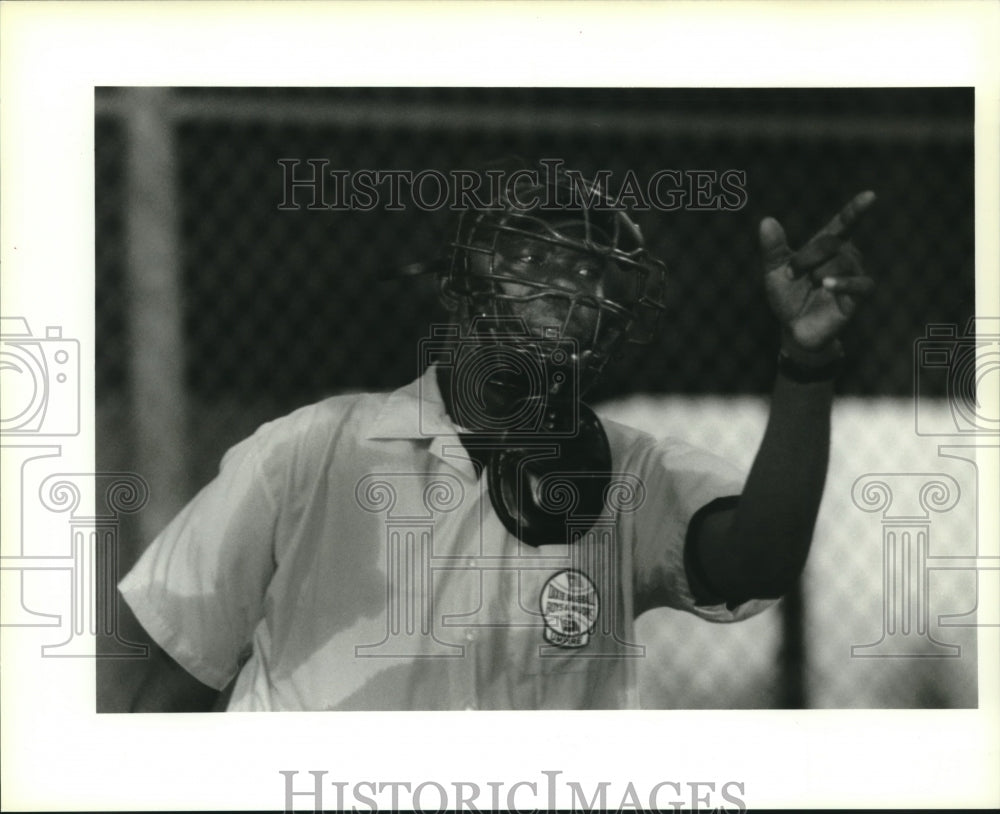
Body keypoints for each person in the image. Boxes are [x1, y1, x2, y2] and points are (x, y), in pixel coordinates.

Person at [119, 164, 875, 711]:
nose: (567, 288)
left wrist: (806, 365)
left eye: (589, 273)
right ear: (460, 283)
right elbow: (178, 680)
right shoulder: (311, 449)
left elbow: (757, 559)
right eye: (534, 258)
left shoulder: (631, 471)